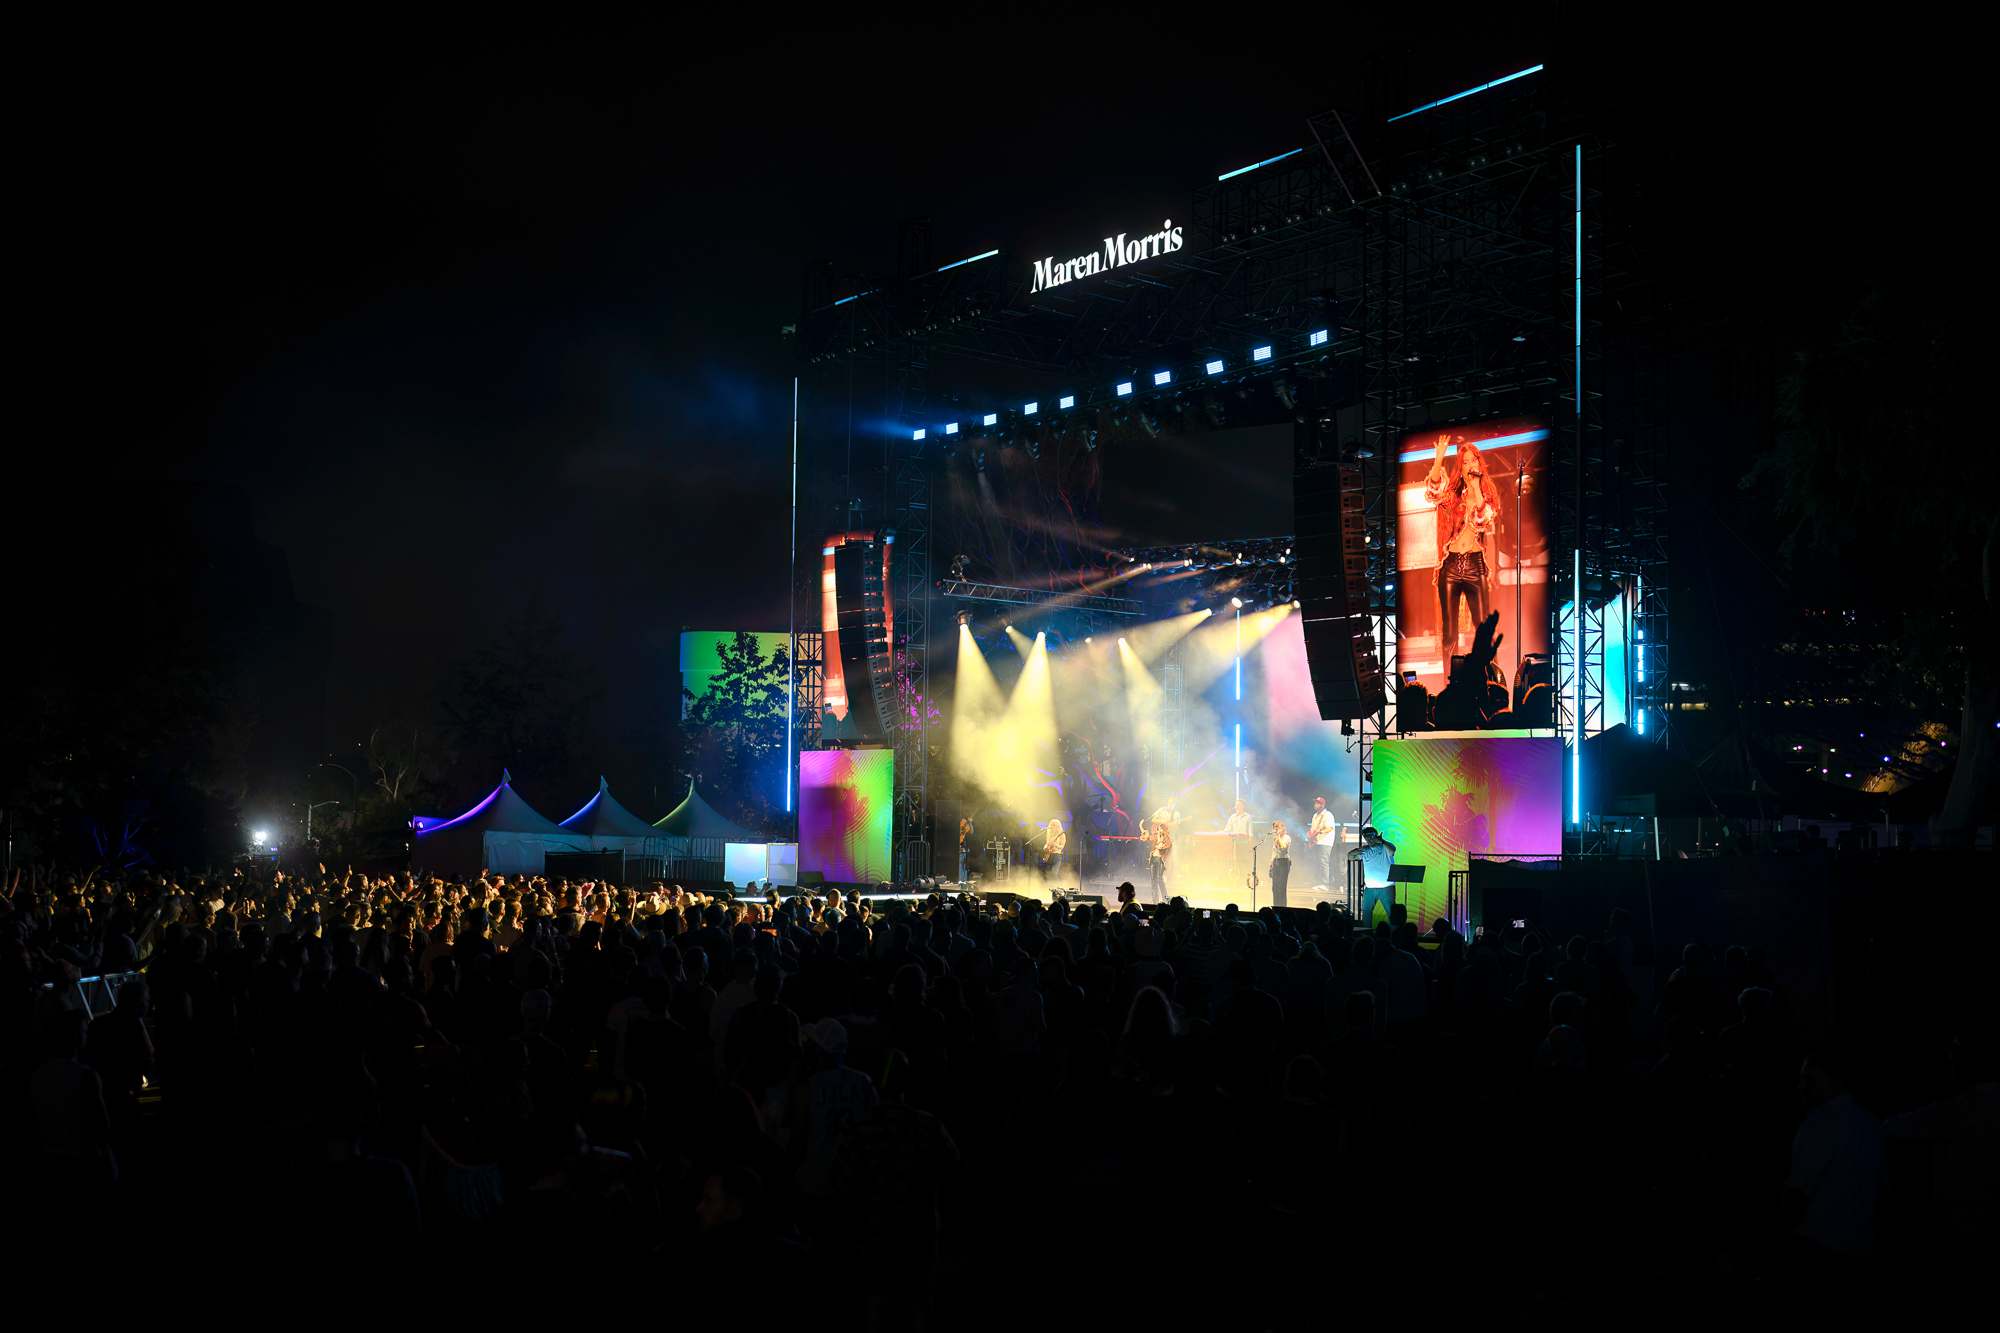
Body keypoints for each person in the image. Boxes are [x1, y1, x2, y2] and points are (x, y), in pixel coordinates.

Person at [1784, 1050, 1883, 1272]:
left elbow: (1797, 1192)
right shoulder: (1870, 1122)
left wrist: (1780, 1233)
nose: (1801, 1087)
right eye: (1802, 1079)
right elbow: (1882, 1189)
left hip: (1816, 1244)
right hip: (1862, 1246)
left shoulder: (1818, 1125)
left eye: (1810, 1081)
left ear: (1837, 1083)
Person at [1425, 433, 1501, 655]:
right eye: (1465, 461)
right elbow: (1433, 492)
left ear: (1479, 462)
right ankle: (1452, 683)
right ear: (1460, 466)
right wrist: (1438, 459)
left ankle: (1488, 682)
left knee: (1483, 628)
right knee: (1449, 632)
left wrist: (1476, 488)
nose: (1470, 465)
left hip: (1474, 564)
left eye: (1473, 459)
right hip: (1450, 565)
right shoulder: (1452, 493)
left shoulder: (1487, 493)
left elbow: (1481, 521)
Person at [1348, 826, 1397, 927]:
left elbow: (1393, 850)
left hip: (1386, 888)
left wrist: (1382, 841)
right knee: (1366, 912)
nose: (1369, 839)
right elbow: (1350, 857)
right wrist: (1352, 852)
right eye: (1366, 837)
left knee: (1391, 914)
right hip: (1370, 888)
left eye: (1371, 836)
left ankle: (1394, 936)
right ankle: (1366, 934)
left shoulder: (1385, 847)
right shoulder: (1365, 850)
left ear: (1376, 836)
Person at [1308, 797, 1338, 889]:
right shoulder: (1315, 816)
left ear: (1323, 805)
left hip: (1325, 842)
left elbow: (1330, 828)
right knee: (1317, 863)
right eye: (1315, 803)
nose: (1315, 805)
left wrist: (1321, 831)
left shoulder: (1328, 814)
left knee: (1323, 862)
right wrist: (1309, 833)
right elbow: (1313, 829)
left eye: (1317, 803)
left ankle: (1325, 884)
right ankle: (1319, 882)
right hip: (1316, 842)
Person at [1224, 798, 1253, 889]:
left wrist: (1250, 840)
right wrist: (1221, 832)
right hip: (1234, 843)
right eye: (1236, 804)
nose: (1236, 806)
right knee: (1233, 861)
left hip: (1243, 843)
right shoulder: (1232, 817)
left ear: (1243, 806)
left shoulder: (1248, 816)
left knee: (1243, 862)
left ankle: (1243, 881)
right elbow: (1228, 829)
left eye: (1238, 804)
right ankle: (1233, 881)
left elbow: (1250, 831)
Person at [1268, 820, 1293, 907]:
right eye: (1274, 827)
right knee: (1275, 886)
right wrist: (1272, 861)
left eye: (1277, 827)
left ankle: (1282, 907)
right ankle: (1275, 906)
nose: (1275, 829)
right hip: (1276, 861)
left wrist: (1278, 836)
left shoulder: (1287, 838)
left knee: (1281, 886)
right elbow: (1274, 850)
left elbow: (1283, 849)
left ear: (1282, 827)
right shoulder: (1275, 838)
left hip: (1284, 862)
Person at [1146, 820, 1172, 900]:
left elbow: (1166, 846)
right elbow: (1148, 837)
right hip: (1153, 858)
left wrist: (1160, 846)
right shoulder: (1156, 838)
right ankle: (1155, 900)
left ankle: (1165, 899)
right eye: (1158, 829)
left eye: (1160, 829)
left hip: (1160, 860)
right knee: (1153, 880)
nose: (1159, 831)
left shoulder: (1167, 840)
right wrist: (1140, 826)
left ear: (1164, 830)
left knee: (1159, 879)